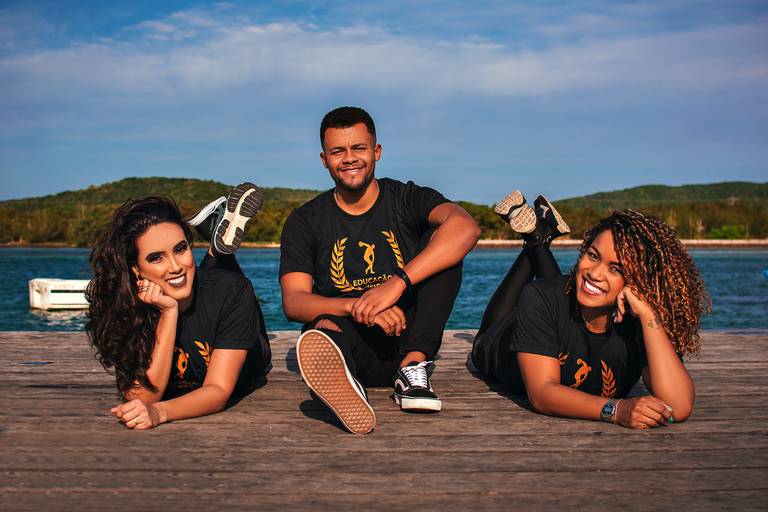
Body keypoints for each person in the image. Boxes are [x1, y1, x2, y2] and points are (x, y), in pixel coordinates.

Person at [280, 106, 480, 434]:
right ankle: (345, 384)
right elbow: (294, 301)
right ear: (323, 159)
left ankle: (413, 371)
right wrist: (360, 307)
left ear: (376, 152)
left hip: (408, 335)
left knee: (444, 245)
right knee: (322, 325)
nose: (349, 158)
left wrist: (396, 285)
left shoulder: (406, 198)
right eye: (337, 151)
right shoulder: (305, 221)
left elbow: (466, 227)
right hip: (352, 340)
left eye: (358, 148)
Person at [472, 191, 710, 428]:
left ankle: (538, 237)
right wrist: (617, 409)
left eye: (616, 269)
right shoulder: (540, 298)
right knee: (549, 295)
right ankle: (536, 241)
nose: (595, 272)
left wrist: (649, 316)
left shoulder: (639, 326)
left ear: (640, 283)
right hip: (498, 342)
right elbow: (542, 393)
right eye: (593, 255)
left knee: (571, 290)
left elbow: (677, 406)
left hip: (560, 309)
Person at [86, 183, 271, 429]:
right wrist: (168, 312)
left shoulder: (233, 291)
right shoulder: (125, 306)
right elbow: (141, 397)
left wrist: (159, 413)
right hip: (193, 292)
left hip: (250, 359)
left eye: (181, 249)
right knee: (195, 278)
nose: (174, 264)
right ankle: (216, 243)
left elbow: (218, 390)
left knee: (218, 283)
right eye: (156, 257)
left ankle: (219, 252)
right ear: (135, 269)